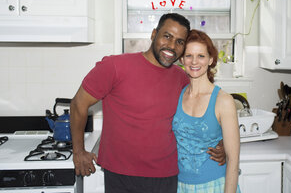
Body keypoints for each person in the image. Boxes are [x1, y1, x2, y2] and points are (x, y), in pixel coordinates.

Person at [70, 13, 225, 193]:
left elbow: (204, 111)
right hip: (121, 175)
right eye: (167, 36)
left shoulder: (182, 77)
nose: (172, 46)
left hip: (166, 175)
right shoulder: (114, 66)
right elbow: (78, 104)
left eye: (180, 42)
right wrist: (79, 151)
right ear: (153, 34)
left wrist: (222, 142)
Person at [172, 29, 240, 192]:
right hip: (179, 186)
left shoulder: (223, 101)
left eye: (201, 56)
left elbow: (233, 159)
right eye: (189, 55)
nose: (194, 62)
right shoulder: (175, 95)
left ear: (210, 59)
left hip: (215, 185)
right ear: (181, 59)